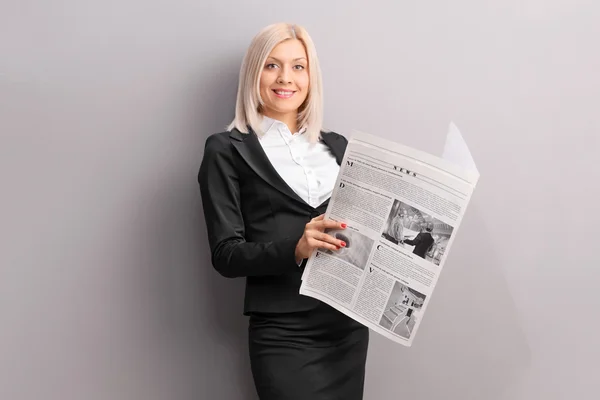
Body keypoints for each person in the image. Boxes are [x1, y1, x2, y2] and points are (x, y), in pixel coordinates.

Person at [197, 22, 369, 400]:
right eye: (272, 65)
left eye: (298, 66)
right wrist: (296, 247)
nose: (285, 78)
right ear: (253, 73)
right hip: (283, 330)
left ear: (310, 76)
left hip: (346, 324)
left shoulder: (338, 146)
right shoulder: (226, 149)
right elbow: (226, 254)